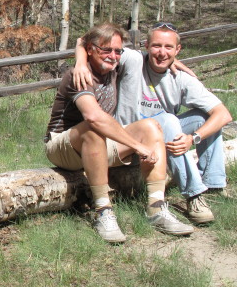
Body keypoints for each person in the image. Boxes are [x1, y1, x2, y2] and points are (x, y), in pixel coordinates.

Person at [45, 23, 193, 243]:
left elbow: (152, 56)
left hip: (99, 144)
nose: (113, 56)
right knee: (93, 127)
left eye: (117, 51)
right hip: (63, 145)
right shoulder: (79, 75)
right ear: (91, 50)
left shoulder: (115, 67)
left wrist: (173, 60)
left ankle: (156, 208)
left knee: (151, 126)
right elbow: (94, 117)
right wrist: (137, 146)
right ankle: (103, 210)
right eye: (106, 50)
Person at [73, 22, 233, 225]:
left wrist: (193, 138)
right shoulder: (133, 60)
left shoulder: (181, 78)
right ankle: (193, 195)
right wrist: (80, 62)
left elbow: (223, 114)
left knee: (203, 118)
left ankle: (213, 184)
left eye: (168, 47)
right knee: (167, 120)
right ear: (146, 45)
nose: (162, 52)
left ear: (178, 50)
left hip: (162, 139)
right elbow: (84, 40)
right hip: (129, 138)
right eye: (157, 46)